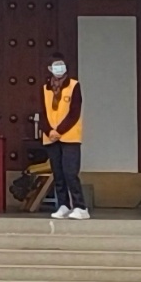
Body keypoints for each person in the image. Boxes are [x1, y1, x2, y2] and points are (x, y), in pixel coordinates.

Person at [38, 57, 90, 218]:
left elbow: (74, 112)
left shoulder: (74, 85)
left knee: (70, 172)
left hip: (69, 136)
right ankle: (63, 205)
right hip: (51, 137)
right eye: (55, 66)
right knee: (58, 174)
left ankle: (81, 207)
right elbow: (42, 112)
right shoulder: (45, 89)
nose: (58, 70)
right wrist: (49, 131)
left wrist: (58, 130)